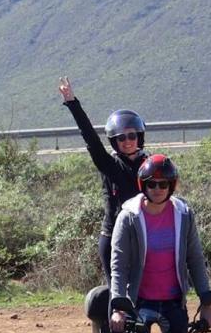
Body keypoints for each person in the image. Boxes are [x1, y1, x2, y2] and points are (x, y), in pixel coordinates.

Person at [104, 154, 211, 333]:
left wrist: (206, 303)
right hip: (138, 303)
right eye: (151, 184)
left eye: (163, 184)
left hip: (174, 303)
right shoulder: (128, 217)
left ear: (171, 185)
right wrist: (119, 307)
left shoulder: (183, 214)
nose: (157, 188)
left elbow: (195, 259)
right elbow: (119, 265)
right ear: (143, 185)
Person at [56, 77, 147, 277]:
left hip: (146, 235)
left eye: (131, 136)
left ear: (139, 136)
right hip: (114, 237)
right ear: (114, 141)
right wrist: (72, 103)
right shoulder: (109, 165)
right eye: (121, 137)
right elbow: (90, 138)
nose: (127, 141)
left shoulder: (150, 165)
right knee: (117, 294)